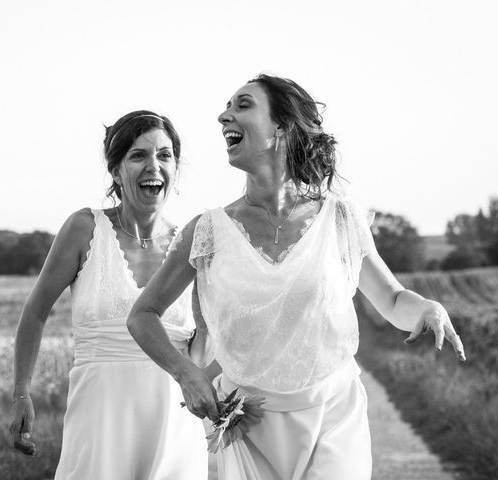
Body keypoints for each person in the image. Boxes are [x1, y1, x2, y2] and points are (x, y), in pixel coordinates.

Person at [127, 75, 467, 480]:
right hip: (249, 426)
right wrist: (187, 374)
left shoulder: (339, 218)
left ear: (282, 127)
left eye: (242, 105)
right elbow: (143, 315)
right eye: (227, 107)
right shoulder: (207, 232)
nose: (223, 116)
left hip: (333, 415)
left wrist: (426, 308)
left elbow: (392, 300)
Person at [9, 110, 208, 479]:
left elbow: (205, 340)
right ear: (116, 172)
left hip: (175, 423)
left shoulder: (191, 244)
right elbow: (35, 313)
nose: (154, 166)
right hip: (99, 417)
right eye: (138, 155)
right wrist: (22, 391)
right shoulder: (85, 228)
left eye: (164, 155)